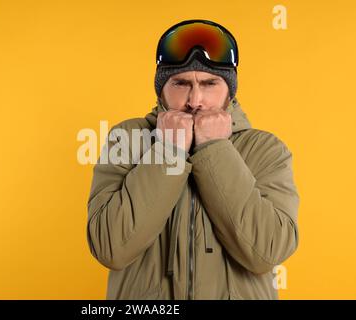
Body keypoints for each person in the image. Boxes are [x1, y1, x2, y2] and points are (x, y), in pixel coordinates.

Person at [87, 19, 299, 299]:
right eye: (181, 83)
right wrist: (168, 151)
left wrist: (214, 149)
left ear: (230, 89)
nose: (195, 99)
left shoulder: (265, 148)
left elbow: (266, 251)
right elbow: (111, 248)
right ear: (161, 88)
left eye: (210, 83)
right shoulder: (127, 137)